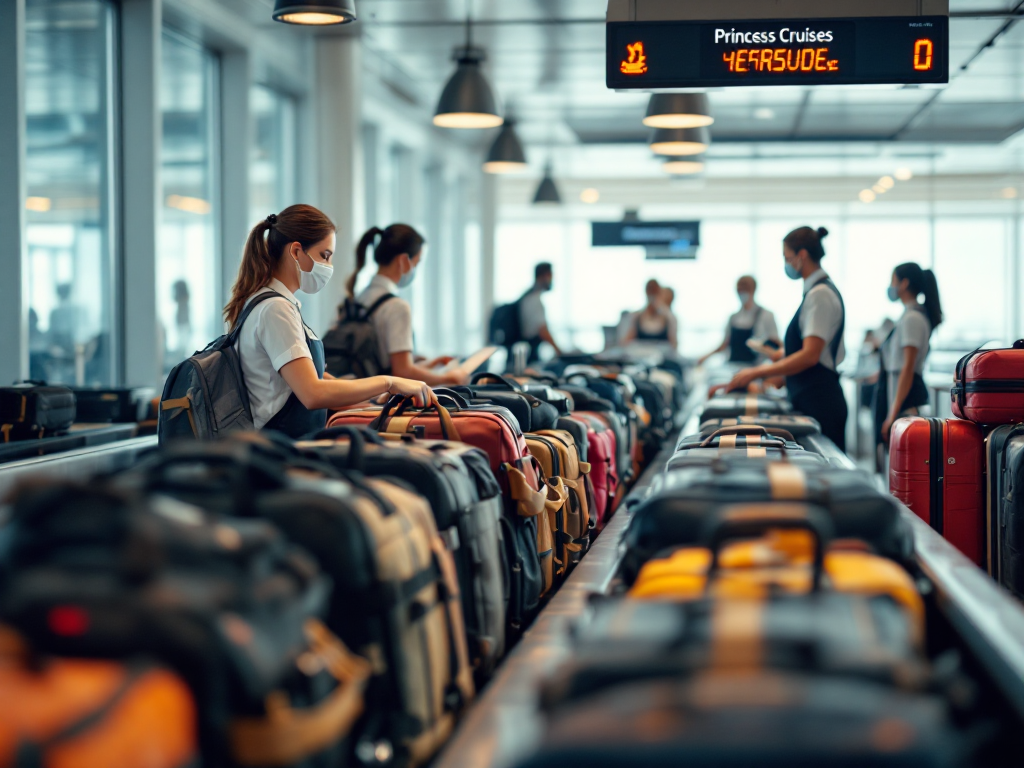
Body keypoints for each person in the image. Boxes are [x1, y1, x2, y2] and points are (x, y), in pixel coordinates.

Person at [224, 205, 433, 439]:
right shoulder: (275, 309)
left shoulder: (273, 304)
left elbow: (316, 378)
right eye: (325, 255)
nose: (328, 266)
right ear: (295, 251)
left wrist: (371, 400)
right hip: (281, 449)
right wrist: (389, 383)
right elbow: (313, 392)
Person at [714, 226, 848, 451]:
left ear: (802, 255)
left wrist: (756, 373)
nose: (786, 264)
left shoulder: (820, 295)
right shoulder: (814, 293)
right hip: (811, 397)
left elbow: (810, 356)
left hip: (820, 401)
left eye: (787, 257)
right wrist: (780, 355)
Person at [346, 225, 467, 386]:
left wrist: (427, 364)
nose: (415, 269)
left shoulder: (358, 298)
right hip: (381, 400)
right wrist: (448, 378)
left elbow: (382, 362)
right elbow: (402, 372)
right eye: (416, 262)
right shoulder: (396, 307)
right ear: (404, 260)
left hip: (356, 393)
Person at [878, 262, 943, 442]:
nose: (891, 286)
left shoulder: (912, 318)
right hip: (903, 393)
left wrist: (893, 412)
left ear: (904, 283)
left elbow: (908, 366)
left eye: (893, 281)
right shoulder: (909, 316)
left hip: (907, 397)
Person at [698, 275, 781, 366]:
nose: (742, 292)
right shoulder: (733, 317)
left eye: (745, 289)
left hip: (755, 368)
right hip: (732, 366)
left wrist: (762, 348)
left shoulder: (766, 315)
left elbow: (776, 345)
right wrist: (705, 357)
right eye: (739, 289)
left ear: (753, 289)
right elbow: (725, 344)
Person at [519, 262, 562, 362]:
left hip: (528, 353)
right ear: (545, 275)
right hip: (530, 356)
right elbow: (542, 330)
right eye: (550, 275)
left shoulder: (527, 296)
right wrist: (559, 351)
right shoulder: (534, 299)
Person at [623, 279, 678, 347]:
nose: (652, 295)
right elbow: (625, 342)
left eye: (655, 291)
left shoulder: (669, 318)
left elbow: (674, 345)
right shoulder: (636, 317)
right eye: (650, 290)